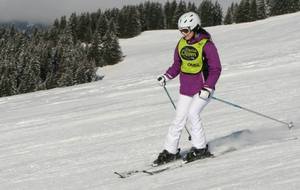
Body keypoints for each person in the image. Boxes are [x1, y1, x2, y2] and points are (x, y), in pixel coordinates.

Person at [153, 12, 222, 166]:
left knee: (193, 114)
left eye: (185, 30)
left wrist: (208, 87)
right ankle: (170, 151)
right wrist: (166, 76)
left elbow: (216, 69)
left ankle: (200, 148)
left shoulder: (207, 45)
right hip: (186, 88)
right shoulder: (181, 43)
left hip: (203, 89)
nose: (183, 34)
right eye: (181, 31)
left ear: (195, 28)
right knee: (178, 119)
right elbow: (177, 65)